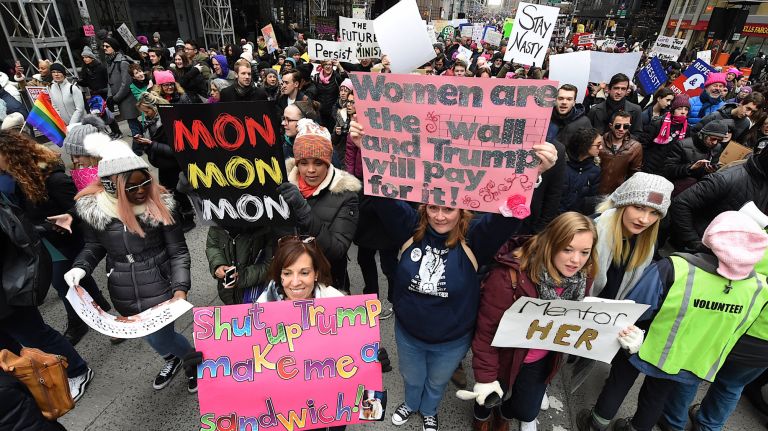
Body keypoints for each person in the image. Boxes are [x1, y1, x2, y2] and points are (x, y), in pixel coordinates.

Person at [365, 137, 558, 431]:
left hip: (451, 340)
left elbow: (507, 216)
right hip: (408, 334)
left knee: (437, 382)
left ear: (461, 210)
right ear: (424, 208)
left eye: (448, 209)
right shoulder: (409, 228)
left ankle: (429, 410)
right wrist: (368, 147)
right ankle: (411, 404)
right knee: (411, 378)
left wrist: (533, 174)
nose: (440, 216)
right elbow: (382, 197)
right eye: (433, 208)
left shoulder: (475, 239)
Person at [607, 211, 768, 431]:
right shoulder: (758, 287)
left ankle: (598, 421)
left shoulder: (676, 266)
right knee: (657, 397)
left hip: (644, 343)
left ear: (711, 235)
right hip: (688, 357)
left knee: (618, 381)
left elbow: (638, 306)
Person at [66, 133, 197, 393]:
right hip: (122, 287)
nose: (141, 191)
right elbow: (94, 246)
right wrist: (80, 267)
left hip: (161, 285)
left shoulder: (161, 205)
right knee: (146, 334)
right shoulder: (95, 210)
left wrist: (180, 288)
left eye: (145, 183)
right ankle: (172, 358)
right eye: (132, 187)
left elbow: (178, 251)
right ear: (111, 186)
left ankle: (193, 361)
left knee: (161, 336)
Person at [466, 212, 598, 431]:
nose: (576, 260)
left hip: (540, 358)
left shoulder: (582, 276)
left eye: (584, 252)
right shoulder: (509, 276)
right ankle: (482, 416)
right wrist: (486, 378)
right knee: (490, 394)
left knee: (526, 410)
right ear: (550, 243)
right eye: (567, 249)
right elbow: (486, 332)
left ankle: (504, 413)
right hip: (505, 355)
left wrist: (618, 334)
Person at [575, 174, 676, 431]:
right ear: (623, 202)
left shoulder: (646, 240)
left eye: (654, 213)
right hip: (578, 307)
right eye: (639, 207)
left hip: (606, 314)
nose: (645, 219)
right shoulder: (592, 229)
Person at [0, 131, 110, 346]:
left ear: (10, 154)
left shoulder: (53, 178)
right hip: (44, 241)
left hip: (65, 239)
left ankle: (84, 321)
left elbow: (82, 204)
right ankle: (100, 310)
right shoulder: (16, 180)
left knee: (63, 282)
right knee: (76, 279)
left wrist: (66, 218)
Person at [0, 170, 94, 404]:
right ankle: (29, 384)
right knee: (7, 348)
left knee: (34, 334)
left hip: (7, 291)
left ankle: (77, 371)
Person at [276, 119, 361, 293]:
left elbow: (337, 250)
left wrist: (304, 210)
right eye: (304, 163)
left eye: (318, 162)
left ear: (328, 162)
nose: (310, 170)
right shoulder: (281, 185)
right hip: (287, 285)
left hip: (327, 284)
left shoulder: (346, 195)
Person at [670, 146, 768, 252]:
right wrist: (694, 242)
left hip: (731, 252)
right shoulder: (727, 178)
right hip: (701, 251)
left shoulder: (763, 180)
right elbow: (680, 203)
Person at [133, 91, 195, 232]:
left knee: (179, 192)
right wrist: (142, 141)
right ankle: (177, 216)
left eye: (147, 111)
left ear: (154, 107)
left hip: (174, 165)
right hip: (162, 164)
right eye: (143, 112)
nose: (145, 114)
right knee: (167, 192)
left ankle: (188, 217)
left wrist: (151, 144)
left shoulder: (169, 122)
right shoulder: (150, 122)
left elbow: (175, 150)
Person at [664, 119, 728, 195]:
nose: (715, 142)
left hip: (699, 185)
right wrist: (691, 167)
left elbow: (712, 166)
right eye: (713, 139)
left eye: (719, 140)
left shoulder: (717, 147)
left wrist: (711, 170)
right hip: (678, 183)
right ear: (703, 135)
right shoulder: (682, 145)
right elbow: (668, 169)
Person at [103, 37, 142, 142]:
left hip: (127, 98)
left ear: (114, 47)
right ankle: (142, 139)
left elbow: (126, 83)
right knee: (133, 121)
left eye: (107, 46)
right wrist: (110, 97)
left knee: (132, 122)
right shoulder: (110, 61)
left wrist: (115, 98)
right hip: (121, 98)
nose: (104, 48)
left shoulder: (122, 62)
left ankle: (138, 145)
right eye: (104, 46)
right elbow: (110, 81)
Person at [641, 94, 690, 176]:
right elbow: (644, 144)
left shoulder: (687, 129)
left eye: (686, 109)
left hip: (667, 170)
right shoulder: (658, 123)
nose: (683, 112)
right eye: (679, 108)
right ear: (673, 110)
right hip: (649, 166)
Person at [597, 111, 643, 195]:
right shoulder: (600, 142)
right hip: (596, 190)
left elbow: (634, 174)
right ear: (611, 126)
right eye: (618, 126)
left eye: (626, 126)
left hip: (618, 193)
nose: (621, 129)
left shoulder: (635, 147)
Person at [559, 127, 602, 214]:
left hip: (577, 217)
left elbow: (591, 200)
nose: (601, 148)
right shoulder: (562, 165)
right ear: (586, 145)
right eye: (598, 145)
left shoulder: (595, 170)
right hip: (557, 216)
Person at [692, 92, 764, 143]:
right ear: (741, 103)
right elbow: (694, 132)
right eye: (748, 108)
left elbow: (737, 145)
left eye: (753, 112)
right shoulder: (715, 116)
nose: (748, 113)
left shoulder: (746, 124)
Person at [546, 84, 592, 148]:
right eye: (560, 98)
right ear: (555, 100)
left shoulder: (584, 122)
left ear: (574, 103)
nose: (564, 102)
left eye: (569, 99)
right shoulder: (546, 118)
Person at [313, 60, 347, 131]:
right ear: (322, 66)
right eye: (326, 64)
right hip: (320, 112)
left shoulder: (336, 77)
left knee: (332, 131)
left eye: (330, 65)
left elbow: (345, 80)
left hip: (333, 112)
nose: (328, 67)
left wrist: (339, 66)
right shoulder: (316, 77)